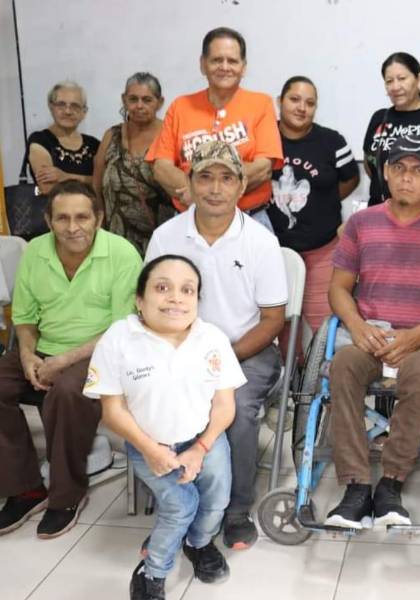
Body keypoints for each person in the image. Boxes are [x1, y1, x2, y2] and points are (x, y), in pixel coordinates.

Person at [324, 136, 420, 529]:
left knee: (419, 372)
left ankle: (391, 484)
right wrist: (357, 328)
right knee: (342, 367)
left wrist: (416, 337)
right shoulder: (361, 223)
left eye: (418, 170)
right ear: (385, 173)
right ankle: (356, 487)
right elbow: (338, 288)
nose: (408, 178)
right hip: (372, 335)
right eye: (399, 168)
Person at [145, 140, 287, 550]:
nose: (215, 188)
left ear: (242, 186)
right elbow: (150, 309)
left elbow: (273, 320)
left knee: (237, 410)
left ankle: (236, 508)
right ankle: (179, 507)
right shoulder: (165, 236)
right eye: (204, 177)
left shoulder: (260, 241)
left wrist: (219, 360)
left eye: (226, 178)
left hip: (247, 350)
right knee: (153, 397)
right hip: (177, 347)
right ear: (188, 184)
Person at [84, 255, 245, 600]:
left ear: (198, 301)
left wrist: (201, 448)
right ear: (139, 300)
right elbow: (112, 411)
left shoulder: (211, 338)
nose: (176, 298)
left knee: (216, 502)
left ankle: (198, 544)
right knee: (181, 506)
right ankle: (152, 571)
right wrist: (151, 449)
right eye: (162, 288)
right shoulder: (118, 339)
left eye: (188, 290)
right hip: (148, 444)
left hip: (207, 440)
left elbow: (224, 405)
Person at [0, 180, 141, 539]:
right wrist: (29, 354)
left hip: (101, 353)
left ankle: (66, 495)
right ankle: (25, 487)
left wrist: (61, 361)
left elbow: (120, 328)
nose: (72, 227)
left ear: (99, 217)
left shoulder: (122, 254)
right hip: (45, 347)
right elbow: (26, 317)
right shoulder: (36, 251)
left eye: (82, 217)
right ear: (48, 220)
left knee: (65, 391)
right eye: (62, 218)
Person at [146, 27, 283, 228]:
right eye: (217, 60)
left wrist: (205, 193)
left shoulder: (261, 104)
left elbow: (262, 168)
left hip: (248, 220)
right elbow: (161, 167)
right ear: (203, 64)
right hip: (188, 220)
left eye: (232, 61)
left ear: (243, 67)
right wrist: (198, 193)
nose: (224, 67)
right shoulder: (180, 107)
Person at [267, 76, 360, 332]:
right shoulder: (263, 137)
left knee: (325, 326)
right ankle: (289, 373)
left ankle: (320, 373)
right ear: (279, 101)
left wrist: (321, 201)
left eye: (310, 103)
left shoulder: (332, 141)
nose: (302, 108)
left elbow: (351, 179)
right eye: (294, 100)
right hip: (275, 252)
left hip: (324, 248)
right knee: (279, 325)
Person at [94, 73, 174, 256]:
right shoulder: (111, 136)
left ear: (160, 102)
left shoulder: (169, 135)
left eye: (147, 100)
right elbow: (97, 186)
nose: (139, 106)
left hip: (160, 241)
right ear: (124, 100)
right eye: (133, 99)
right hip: (115, 241)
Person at [363, 52, 420, 206]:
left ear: (419, 80)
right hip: (381, 213)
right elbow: (370, 164)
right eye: (389, 81)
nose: (395, 87)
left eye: (402, 79)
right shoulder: (379, 118)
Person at [26, 81, 100, 195]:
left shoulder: (95, 145)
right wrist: (89, 181)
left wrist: (65, 177)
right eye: (61, 105)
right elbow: (48, 188)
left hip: (91, 212)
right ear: (51, 107)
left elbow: (107, 183)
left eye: (75, 106)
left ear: (84, 112)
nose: (67, 111)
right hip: (57, 212)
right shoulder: (40, 140)